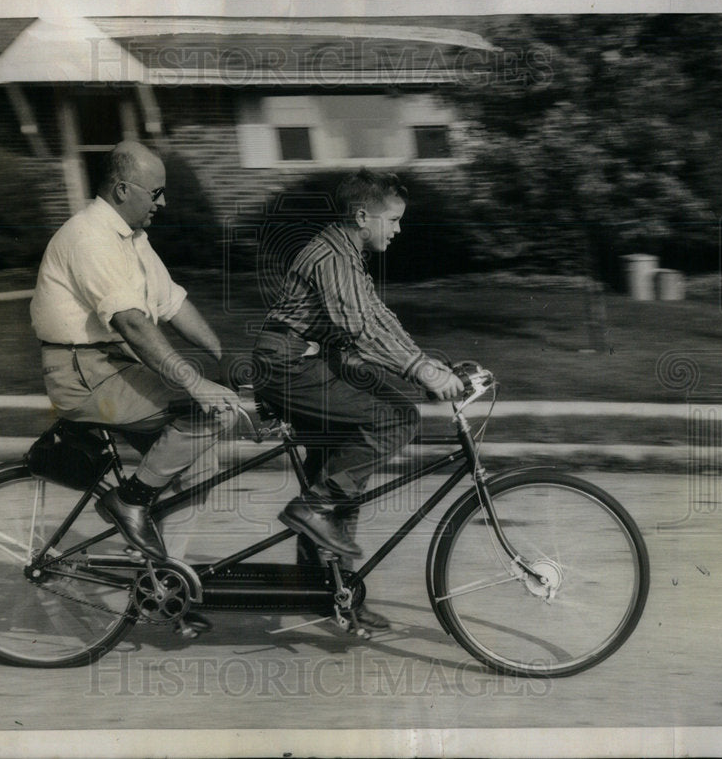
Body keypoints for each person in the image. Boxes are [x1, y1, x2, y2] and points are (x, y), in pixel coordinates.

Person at [252, 168, 465, 627]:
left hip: (302, 362)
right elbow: (361, 330)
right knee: (397, 419)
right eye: (393, 219)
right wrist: (419, 370)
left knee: (338, 473)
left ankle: (331, 592)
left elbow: (377, 317)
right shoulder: (332, 257)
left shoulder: (346, 255)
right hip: (289, 365)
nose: (398, 229)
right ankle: (312, 511)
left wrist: (425, 365)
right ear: (362, 215)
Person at [31, 140, 239, 563]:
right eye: (156, 192)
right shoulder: (89, 237)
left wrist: (225, 356)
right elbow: (131, 323)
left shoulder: (131, 238)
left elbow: (171, 302)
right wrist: (196, 383)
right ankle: (129, 501)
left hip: (113, 368)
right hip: (83, 374)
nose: (164, 202)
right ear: (123, 189)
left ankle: (161, 582)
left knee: (196, 470)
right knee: (207, 412)